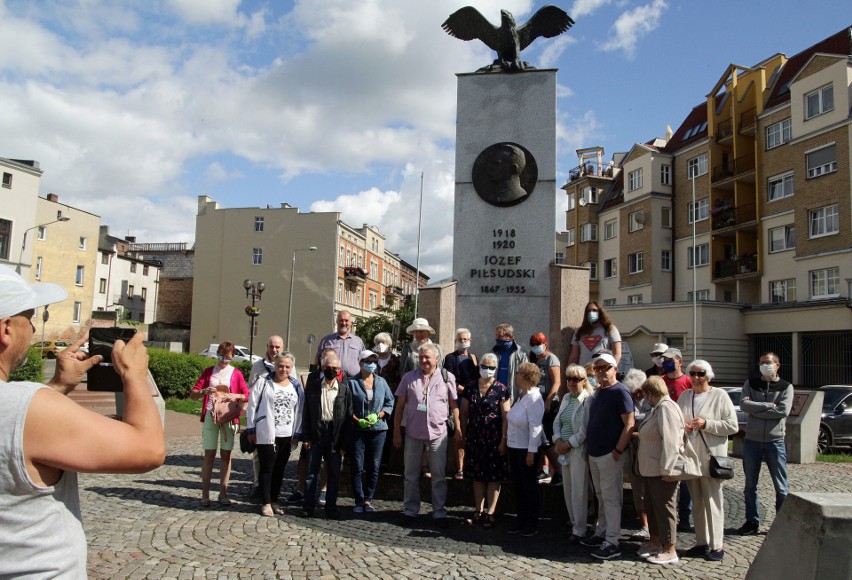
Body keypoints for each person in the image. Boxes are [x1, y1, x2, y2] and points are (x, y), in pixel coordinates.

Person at [0, 265, 165, 577]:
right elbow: (148, 448)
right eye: (29, 319)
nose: (34, 330)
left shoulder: (25, 409)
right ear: (6, 328)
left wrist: (59, 387)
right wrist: (134, 375)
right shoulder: (28, 406)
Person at [393, 343, 461, 527]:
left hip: (438, 433)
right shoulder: (409, 378)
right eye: (421, 357)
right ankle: (410, 510)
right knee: (410, 474)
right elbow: (399, 407)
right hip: (413, 432)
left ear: (436, 358)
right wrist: (397, 432)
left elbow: (454, 406)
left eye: (427, 357)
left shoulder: (448, 378)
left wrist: (459, 429)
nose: (423, 360)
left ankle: (439, 512)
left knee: (438, 475)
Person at [677, 360, 738, 561]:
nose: (695, 378)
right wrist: (683, 427)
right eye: (692, 374)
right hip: (691, 456)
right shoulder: (685, 395)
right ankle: (701, 542)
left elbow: (732, 426)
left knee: (713, 501)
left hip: (711, 457)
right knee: (697, 502)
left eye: (700, 374)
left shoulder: (720, 396)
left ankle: (717, 545)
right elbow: (677, 420)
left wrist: (707, 424)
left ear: (708, 376)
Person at [581, 352, 634, 560]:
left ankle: (613, 540)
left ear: (615, 369)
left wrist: (618, 450)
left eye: (605, 368)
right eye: (598, 369)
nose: (601, 372)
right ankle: (601, 532)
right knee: (601, 496)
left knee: (611, 498)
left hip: (610, 454)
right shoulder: (599, 392)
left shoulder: (620, 392)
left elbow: (629, 424)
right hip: (595, 452)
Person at [737, 351, 793, 536]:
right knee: (750, 486)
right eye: (762, 362)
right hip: (752, 440)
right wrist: (768, 406)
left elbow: (783, 411)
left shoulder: (786, 386)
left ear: (777, 365)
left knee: (781, 486)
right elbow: (744, 405)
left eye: (768, 362)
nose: (765, 365)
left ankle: (781, 522)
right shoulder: (750, 383)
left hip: (774, 441)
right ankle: (752, 521)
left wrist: (757, 409)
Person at [190, 341, 249, 506]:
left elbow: (246, 395)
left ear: (233, 357)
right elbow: (193, 393)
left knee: (226, 455)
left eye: (228, 358)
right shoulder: (209, 372)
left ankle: (223, 493)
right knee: (209, 454)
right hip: (211, 415)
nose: (224, 361)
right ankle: (205, 494)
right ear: (217, 355)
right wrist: (202, 392)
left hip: (228, 417)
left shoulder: (236, 373)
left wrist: (234, 396)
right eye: (221, 357)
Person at [246, 352, 304, 517]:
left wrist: (297, 432)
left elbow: (299, 410)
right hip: (267, 432)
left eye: (287, 366)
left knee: (280, 469)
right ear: (275, 365)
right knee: (267, 468)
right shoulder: (264, 382)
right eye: (280, 365)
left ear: (291, 368)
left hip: (287, 434)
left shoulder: (295, 386)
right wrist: (251, 428)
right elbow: (252, 405)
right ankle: (265, 502)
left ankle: (274, 500)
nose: (283, 369)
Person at [636, 376, 686, 565]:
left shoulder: (666, 408)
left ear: (650, 393)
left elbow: (671, 439)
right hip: (651, 469)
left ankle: (670, 548)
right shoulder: (658, 408)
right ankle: (656, 542)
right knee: (653, 507)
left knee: (665, 509)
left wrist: (667, 468)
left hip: (661, 469)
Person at [459, 352, 510, 528]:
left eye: (491, 367)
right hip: (474, 438)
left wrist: (504, 440)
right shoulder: (470, 387)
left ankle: (491, 512)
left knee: (493, 477)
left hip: (494, 439)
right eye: (484, 366)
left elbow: (506, 417)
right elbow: (464, 413)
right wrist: (463, 436)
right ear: (479, 367)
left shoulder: (502, 389)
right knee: (477, 476)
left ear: (496, 369)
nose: (487, 370)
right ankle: (478, 510)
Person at [301, 352, 353, 519]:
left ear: (339, 370)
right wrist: (307, 437)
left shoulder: (344, 389)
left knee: (334, 473)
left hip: (335, 435)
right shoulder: (314, 386)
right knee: (312, 472)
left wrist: (345, 444)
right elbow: (306, 413)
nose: (331, 370)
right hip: (317, 431)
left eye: (334, 368)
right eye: (328, 368)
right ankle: (308, 506)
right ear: (322, 368)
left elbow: (348, 417)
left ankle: (331, 507)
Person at [349, 350, 394, 514]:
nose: (372, 364)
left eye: (374, 361)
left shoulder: (381, 382)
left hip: (378, 430)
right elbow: (346, 406)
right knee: (357, 465)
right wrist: (356, 419)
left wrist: (379, 415)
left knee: (374, 465)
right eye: (368, 361)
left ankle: (368, 499)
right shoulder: (352, 383)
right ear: (361, 363)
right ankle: (358, 499)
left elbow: (390, 401)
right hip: (358, 430)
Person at [552, 364, 592, 544]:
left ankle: (580, 529)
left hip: (577, 450)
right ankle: (574, 522)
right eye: (568, 379)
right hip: (563, 449)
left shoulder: (588, 400)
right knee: (567, 489)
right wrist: (558, 440)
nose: (571, 382)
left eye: (575, 379)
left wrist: (568, 444)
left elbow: (585, 430)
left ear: (584, 381)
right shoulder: (566, 398)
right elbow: (556, 422)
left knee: (579, 491)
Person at [505, 362, 545, 536]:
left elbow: (536, 427)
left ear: (525, 377)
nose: (516, 376)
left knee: (528, 487)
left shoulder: (535, 399)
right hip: (514, 447)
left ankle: (531, 522)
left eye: (519, 373)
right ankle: (520, 518)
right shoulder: (522, 395)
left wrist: (531, 452)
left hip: (526, 450)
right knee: (518, 486)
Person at [247, 335, 286, 501]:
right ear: (267, 347)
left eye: (278, 347)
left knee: (277, 455)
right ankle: (258, 485)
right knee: (258, 453)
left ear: (282, 348)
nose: (274, 350)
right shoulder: (257, 366)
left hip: (281, 418)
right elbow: (250, 390)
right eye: (272, 347)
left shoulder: (286, 365)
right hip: (262, 416)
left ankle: (273, 488)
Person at [659, 347, 693, 530]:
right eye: (664, 360)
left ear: (680, 361)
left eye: (670, 359)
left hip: (685, 434)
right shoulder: (660, 381)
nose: (666, 363)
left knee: (685, 478)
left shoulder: (688, 381)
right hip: (663, 436)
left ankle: (685, 516)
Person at [445, 328, 478, 479]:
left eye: (465, 339)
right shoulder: (450, 358)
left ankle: (471, 465)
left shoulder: (474, 357)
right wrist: (463, 390)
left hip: (472, 398)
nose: (462, 341)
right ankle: (459, 468)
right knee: (458, 432)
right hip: (457, 398)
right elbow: (449, 379)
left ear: (470, 341)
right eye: (460, 339)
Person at [529, 332, 561, 485]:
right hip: (537, 402)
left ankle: (559, 471)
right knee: (539, 439)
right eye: (533, 344)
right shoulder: (535, 359)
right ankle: (544, 469)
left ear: (545, 343)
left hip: (549, 403)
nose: (536, 347)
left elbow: (556, 382)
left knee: (547, 438)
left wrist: (548, 401)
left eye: (538, 343)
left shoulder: (551, 358)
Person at [622, 368, 650, 542]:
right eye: (633, 392)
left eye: (639, 391)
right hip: (632, 449)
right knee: (638, 490)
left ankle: (655, 527)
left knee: (651, 490)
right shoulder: (628, 399)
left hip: (649, 450)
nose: (636, 395)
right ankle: (644, 525)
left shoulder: (651, 399)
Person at [568, 301, 622, 367]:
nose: (591, 313)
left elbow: (617, 354)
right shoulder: (579, 332)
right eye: (589, 311)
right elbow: (573, 356)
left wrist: (610, 369)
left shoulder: (610, 329)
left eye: (594, 310)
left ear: (600, 312)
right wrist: (570, 372)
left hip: (601, 372)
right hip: (584, 373)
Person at [316, 310, 365, 378]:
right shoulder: (326, 340)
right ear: (337, 322)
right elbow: (318, 359)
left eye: (346, 320)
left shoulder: (358, 341)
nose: (343, 323)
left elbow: (363, 360)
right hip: (333, 380)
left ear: (351, 323)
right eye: (341, 320)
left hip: (354, 381)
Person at [491, 323, 528, 401]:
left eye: (500, 336)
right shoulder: (493, 352)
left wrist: (522, 396)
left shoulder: (521, 353)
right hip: (495, 395)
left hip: (513, 396)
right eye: (496, 335)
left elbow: (526, 376)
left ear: (509, 336)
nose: (497, 338)